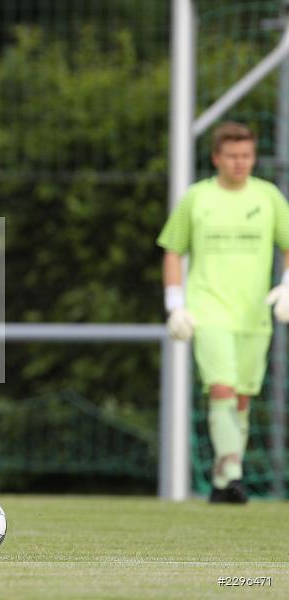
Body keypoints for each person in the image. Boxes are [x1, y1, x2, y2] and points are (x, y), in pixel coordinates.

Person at [157, 121, 289, 504]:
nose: (239, 163)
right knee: (222, 388)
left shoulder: (268, 197)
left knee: (242, 397)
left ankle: (222, 478)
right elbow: (172, 250)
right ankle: (233, 476)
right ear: (217, 157)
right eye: (232, 156)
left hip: (254, 314)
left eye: (246, 155)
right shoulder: (197, 198)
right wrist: (175, 305)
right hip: (208, 309)